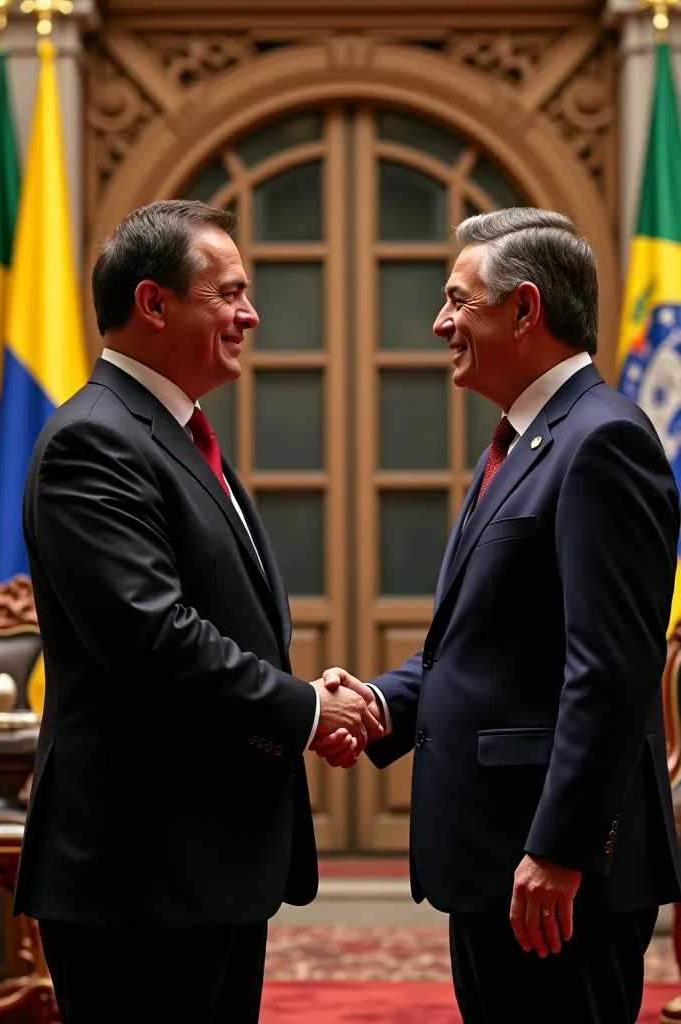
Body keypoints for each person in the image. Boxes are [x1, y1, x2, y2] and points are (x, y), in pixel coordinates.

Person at [14, 199, 381, 1024]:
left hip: (201, 867)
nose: (250, 314)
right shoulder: (96, 441)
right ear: (154, 303)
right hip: (139, 873)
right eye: (229, 292)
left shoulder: (172, 434)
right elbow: (154, 639)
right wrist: (307, 709)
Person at [314, 208, 681, 1024]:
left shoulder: (602, 441)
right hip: (500, 861)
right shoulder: (529, 441)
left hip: (551, 873)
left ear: (524, 309)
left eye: (457, 300)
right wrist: (380, 704)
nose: (441, 322)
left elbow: (612, 669)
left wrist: (560, 847)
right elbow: (485, 647)